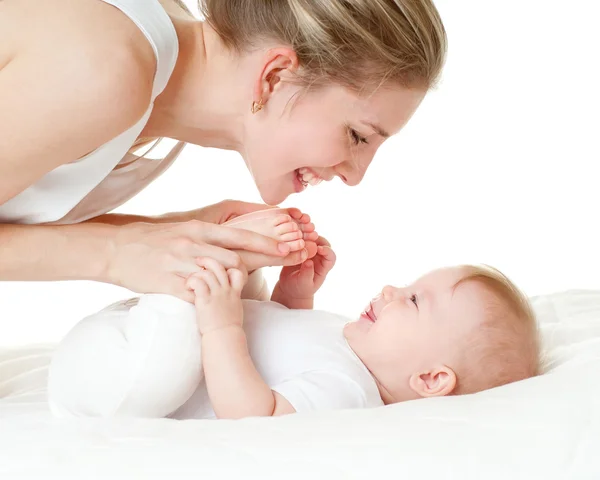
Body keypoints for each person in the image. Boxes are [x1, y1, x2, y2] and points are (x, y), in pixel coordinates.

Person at [0, 0, 446, 302]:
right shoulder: (104, 71)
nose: (356, 175)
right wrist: (115, 252)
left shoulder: (158, 57)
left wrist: (178, 231)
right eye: (358, 135)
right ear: (275, 77)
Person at [47, 212, 540, 419]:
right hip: (119, 342)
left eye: (413, 301)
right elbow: (284, 347)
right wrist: (294, 294)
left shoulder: (350, 394)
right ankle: (227, 260)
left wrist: (222, 323)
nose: (391, 289)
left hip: (116, 386)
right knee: (235, 297)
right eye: (407, 286)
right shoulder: (348, 347)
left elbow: (255, 413)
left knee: (204, 313)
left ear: (431, 379)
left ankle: (226, 253)